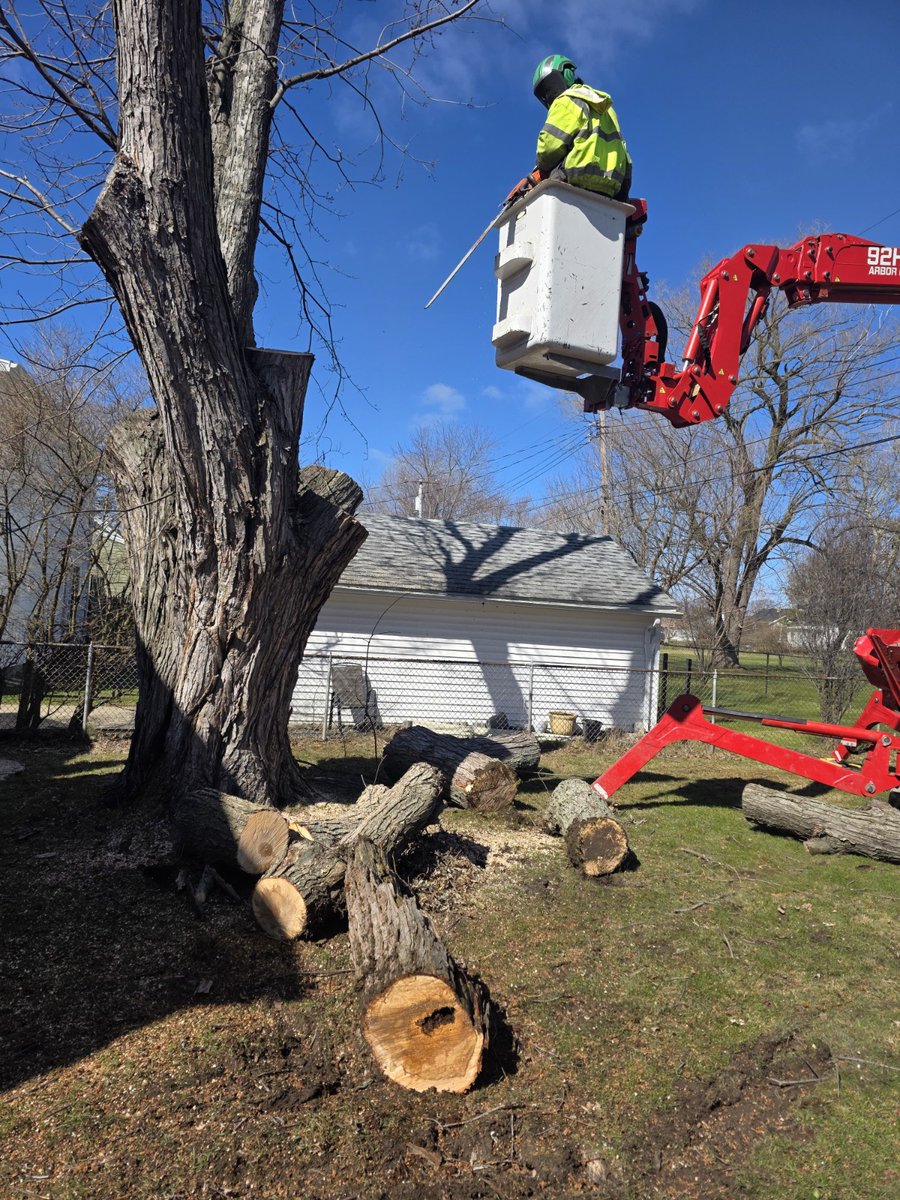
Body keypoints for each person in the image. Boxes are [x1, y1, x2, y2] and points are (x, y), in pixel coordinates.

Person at [508, 55, 632, 203]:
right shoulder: (608, 110)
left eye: (548, 87)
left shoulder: (567, 99)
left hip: (573, 179)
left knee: (536, 197)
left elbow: (548, 147)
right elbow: (625, 157)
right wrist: (623, 197)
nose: (548, 95)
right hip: (610, 189)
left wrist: (539, 170)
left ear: (565, 73)